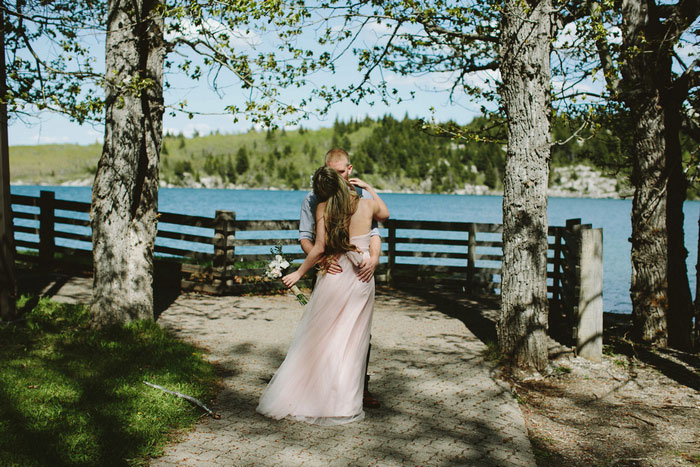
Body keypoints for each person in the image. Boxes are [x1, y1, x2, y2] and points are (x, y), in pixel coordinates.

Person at [256, 166, 389, 425]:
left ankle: (312, 395)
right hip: (361, 274)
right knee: (352, 340)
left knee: (322, 335)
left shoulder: (323, 209)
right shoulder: (367, 205)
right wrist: (370, 188)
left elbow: (318, 248)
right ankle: (342, 401)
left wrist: (299, 272)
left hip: (335, 273)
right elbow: (385, 214)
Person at [299, 148, 382, 408]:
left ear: (350, 169)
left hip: (358, 271)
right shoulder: (313, 199)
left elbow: (375, 232)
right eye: (331, 172)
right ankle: (318, 386)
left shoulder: (362, 197)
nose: (337, 177)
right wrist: (321, 262)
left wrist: (375, 259)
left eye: (341, 172)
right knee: (323, 330)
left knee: (358, 334)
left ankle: (358, 388)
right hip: (331, 270)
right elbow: (306, 237)